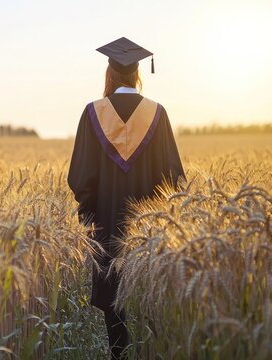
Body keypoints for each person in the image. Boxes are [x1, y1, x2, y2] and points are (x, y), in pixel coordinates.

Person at [67, 37, 185, 359]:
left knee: (114, 307)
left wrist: (90, 215)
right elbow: (175, 179)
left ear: (110, 72)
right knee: (149, 300)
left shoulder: (92, 114)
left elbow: (80, 177)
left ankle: (119, 353)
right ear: (137, 73)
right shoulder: (157, 115)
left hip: (106, 227)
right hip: (149, 233)